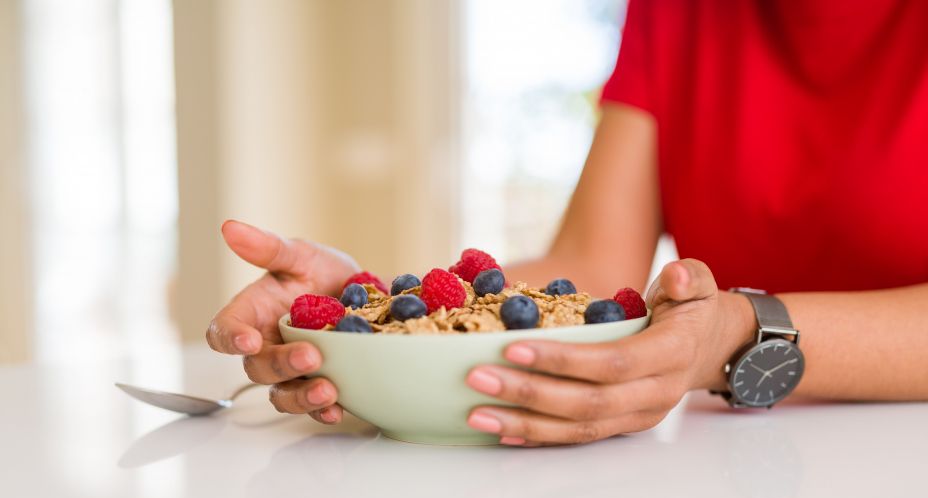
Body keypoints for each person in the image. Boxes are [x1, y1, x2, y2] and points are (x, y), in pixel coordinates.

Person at [206, 0, 928, 446]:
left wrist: (737, 335)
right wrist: (378, 309)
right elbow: (590, 269)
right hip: (729, 480)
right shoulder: (678, 8)